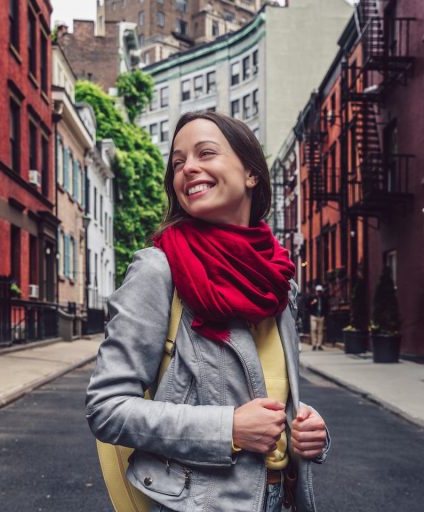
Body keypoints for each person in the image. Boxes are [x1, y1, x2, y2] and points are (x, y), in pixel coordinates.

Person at [85, 111, 330, 512]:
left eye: (205, 153)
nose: (188, 168)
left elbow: (269, 394)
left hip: (278, 500)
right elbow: (107, 409)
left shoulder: (279, 283)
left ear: (251, 174)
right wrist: (228, 428)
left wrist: (309, 431)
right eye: (178, 162)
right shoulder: (159, 269)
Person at [308, 285, 329, 351]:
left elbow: (327, 307)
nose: (319, 292)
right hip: (313, 316)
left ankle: (319, 345)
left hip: (321, 316)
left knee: (320, 331)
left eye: (320, 291)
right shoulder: (312, 297)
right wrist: (312, 303)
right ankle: (314, 345)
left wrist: (324, 315)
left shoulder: (324, 298)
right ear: (316, 291)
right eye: (318, 291)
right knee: (313, 329)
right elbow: (307, 306)